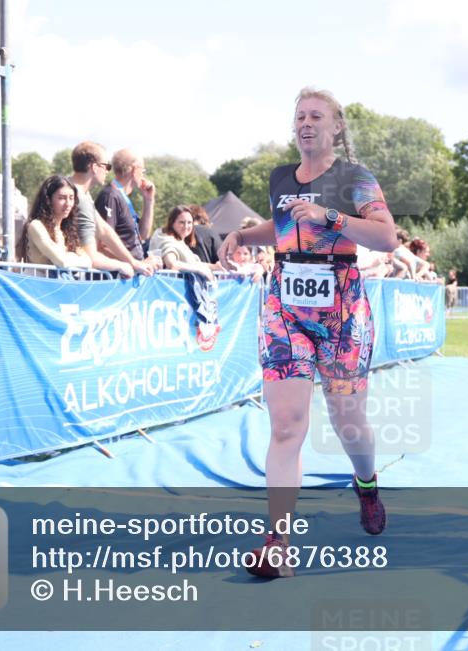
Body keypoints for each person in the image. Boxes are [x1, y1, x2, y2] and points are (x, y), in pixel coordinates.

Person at [217, 87, 397, 578]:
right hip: (285, 310)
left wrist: (331, 216)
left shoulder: (355, 178)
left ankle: (366, 482)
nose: (306, 123)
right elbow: (282, 230)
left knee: (348, 421)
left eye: (316, 115)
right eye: (299, 116)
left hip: (342, 309)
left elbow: (386, 236)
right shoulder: (281, 179)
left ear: (337, 127)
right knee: (287, 425)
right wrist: (241, 234)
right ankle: (279, 544)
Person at [68, 141, 154, 278]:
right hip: (65, 279)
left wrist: (134, 262)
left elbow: (104, 230)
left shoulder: (83, 194)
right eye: (107, 166)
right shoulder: (80, 196)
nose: (108, 171)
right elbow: (94, 254)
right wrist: (126, 265)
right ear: (94, 167)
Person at [95, 149, 159, 266]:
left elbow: (142, 235)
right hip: (115, 278)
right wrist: (136, 264)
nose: (143, 175)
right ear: (134, 169)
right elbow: (102, 245)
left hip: (129, 275)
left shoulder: (122, 197)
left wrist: (149, 200)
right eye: (143, 170)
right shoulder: (111, 196)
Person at [17, 175, 91, 269]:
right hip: (38, 282)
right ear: (48, 200)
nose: (68, 204)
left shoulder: (66, 231)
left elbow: (88, 261)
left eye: (71, 198)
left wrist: (66, 256)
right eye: (62, 198)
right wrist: (71, 256)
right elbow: (62, 262)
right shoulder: (36, 226)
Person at [148, 206, 221, 281]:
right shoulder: (166, 238)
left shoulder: (178, 240)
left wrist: (215, 267)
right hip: (168, 288)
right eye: (182, 222)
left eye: (189, 222)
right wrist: (200, 270)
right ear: (172, 223)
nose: (186, 226)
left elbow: (192, 263)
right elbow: (172, 264)